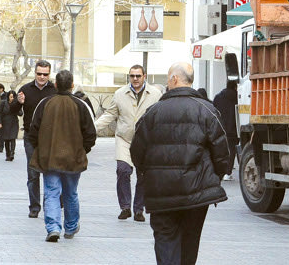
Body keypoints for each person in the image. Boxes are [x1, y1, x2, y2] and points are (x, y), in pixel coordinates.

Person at [131, 62, 230, 265]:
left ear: (174, 79)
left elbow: (136, 151)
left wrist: (148, 174)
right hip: (196, 193)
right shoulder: (207, 110)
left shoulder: (153, 112)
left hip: (161, 193)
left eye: (168, 78)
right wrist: (212, 177)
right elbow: (222, 154)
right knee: (189, 241)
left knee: (165, 240)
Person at [26, 70, 96, 242]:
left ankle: (53, 227)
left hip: (49, 158)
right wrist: (82, 150)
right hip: (73, 158)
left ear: (55, 84)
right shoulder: (81, 105)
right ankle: (71, 227)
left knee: (51, 192)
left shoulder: (45, 103)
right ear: (72, 85)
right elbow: (91, 134)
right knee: (70, 193)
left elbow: (32, 131)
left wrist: (42, 149)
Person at [96, 64, 162, 222]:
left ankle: (139, 209)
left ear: (144, 76)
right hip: (124, 139)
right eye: (132, 76)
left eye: (138, 76)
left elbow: (161, 115)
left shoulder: (155, 94)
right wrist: (92, 128)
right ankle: (125, 207)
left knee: (143, 175)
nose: (135, 79)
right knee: (123, 170)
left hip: (146, 141)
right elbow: (110, 114)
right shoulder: (120, 94)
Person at [10, 60, 57, 218]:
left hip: (50, 138)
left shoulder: (54, 90)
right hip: (31, 137)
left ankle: (49, 205)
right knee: (33, 173)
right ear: (34, 73)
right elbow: (12, 110)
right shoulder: (25, 89)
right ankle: (34, 207)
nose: (42, 77)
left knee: (50, 173)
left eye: (45, 74)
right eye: (39, 74)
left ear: (49, 74)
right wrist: (18, 102)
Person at [213, 80, 238, 181]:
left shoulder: (218, 97)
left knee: (220, 149)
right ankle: (228, 173)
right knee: (231, 151)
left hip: (220, 127)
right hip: (233, 129)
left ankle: (219, 171)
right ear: (235, 86)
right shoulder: (237, 97)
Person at [0, 90, 21, 161]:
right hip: (5, 122)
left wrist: (16, 107)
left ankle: (12, 154)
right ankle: (7, 154)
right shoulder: (3, 103)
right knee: (6, 140)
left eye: (13, 97)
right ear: (8, 97)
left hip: (13, 122)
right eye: (11, 97)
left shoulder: (16, 104)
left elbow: (20, 113)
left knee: (12, 138)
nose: (12, 98)